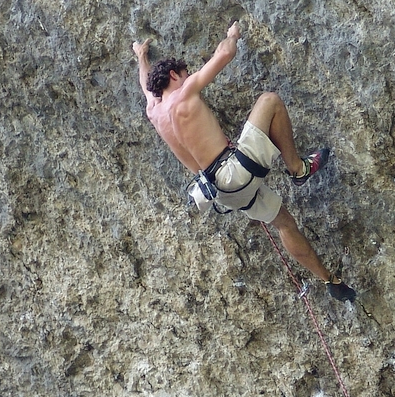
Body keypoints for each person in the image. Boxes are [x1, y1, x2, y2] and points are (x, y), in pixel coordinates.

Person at [132, 23, 355, 302]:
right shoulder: (185, 92)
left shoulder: (154, 111)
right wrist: (233, 34)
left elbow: (145, 85)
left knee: (285, 224)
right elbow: (225, 54)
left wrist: (141, 56)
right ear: (175, 75)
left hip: (222, 194)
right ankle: (298, 169)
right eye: (185, 75)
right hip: (236, 170)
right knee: (270, 101)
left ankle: (329, 280)